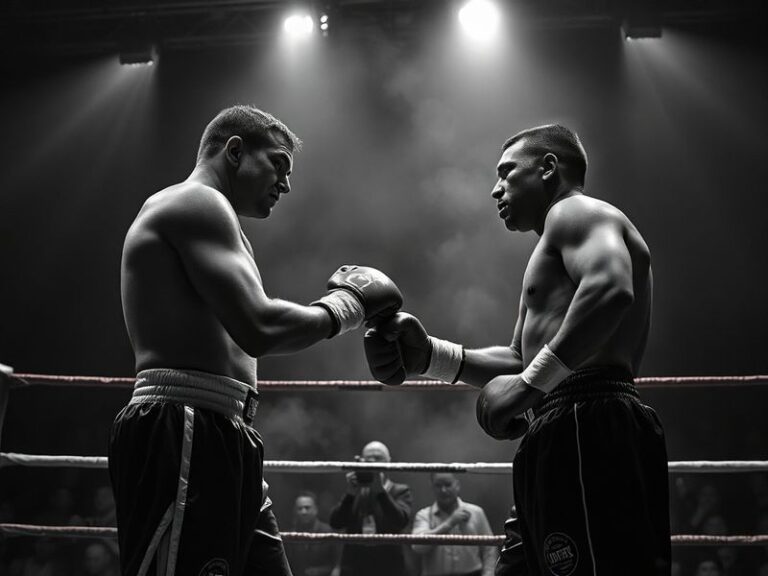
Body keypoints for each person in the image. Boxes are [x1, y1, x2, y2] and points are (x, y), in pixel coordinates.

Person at [109, 105, 403, 576]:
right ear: (235, 151)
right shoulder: (195, 203)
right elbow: (258, 327)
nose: (285, 184)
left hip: (224, 431)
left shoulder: (220, 222)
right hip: (185, 426)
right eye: (278, 164)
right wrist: (348, 305)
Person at [365, 124, 670, 575]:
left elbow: (610, 289)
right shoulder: (551, 245)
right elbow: (518, 360)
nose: (495, 189)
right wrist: (428, 356)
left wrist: (529, 386)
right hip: (562, 425)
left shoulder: (577, 213)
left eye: (507, 173)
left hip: (587, 421)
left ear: (548, 168)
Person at [329, 441, 413, 576]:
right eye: (368, 459)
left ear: (389, 462)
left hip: (389, 566)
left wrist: (381, 492)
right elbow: (336, 523)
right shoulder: (355, 489)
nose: (373, 462)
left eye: (378, 458)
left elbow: (400, 521)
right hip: (355, 566)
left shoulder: (400, 490)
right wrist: (350, 494)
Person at [412, 472, 497, 576]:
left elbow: (490, 548)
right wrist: (450, 523)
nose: (443, 490)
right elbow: (417, 547)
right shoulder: (423, 515)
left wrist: (488, 574)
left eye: (448, 484)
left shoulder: (476, 512)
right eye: (438, 485)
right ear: (432, 487)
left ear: (457, 485)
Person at [284, 491, 340, 576]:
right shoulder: (290, 536)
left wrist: (319, 572)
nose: (303, 512)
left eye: (307, 508)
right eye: (300, 508)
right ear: (295, 512)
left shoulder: (328, 532)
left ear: (315, 509)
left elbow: (337, 565)